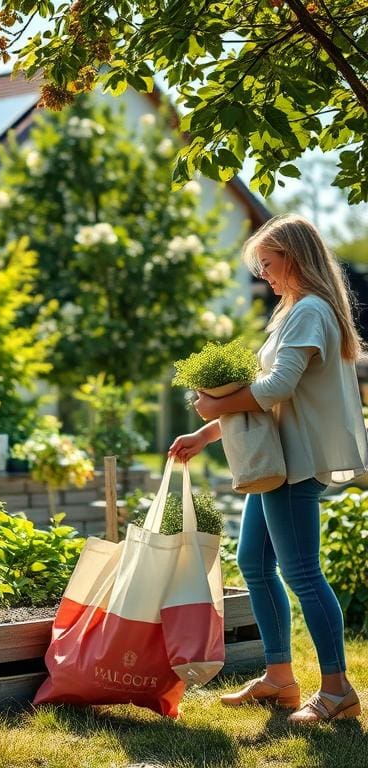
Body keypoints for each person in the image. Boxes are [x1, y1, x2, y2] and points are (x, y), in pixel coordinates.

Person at [168, 214, 368, 724]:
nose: (263, 274)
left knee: (302, 572)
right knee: (254, 562)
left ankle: (337, 691)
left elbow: (275, 389)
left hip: (299, 464)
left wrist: (215, 408)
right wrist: (203, 433)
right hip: (279, 461)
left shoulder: (312, 311)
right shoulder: (290, 312)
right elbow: (264, 402)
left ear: (294, 257)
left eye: (268, 263)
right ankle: (280, 678)